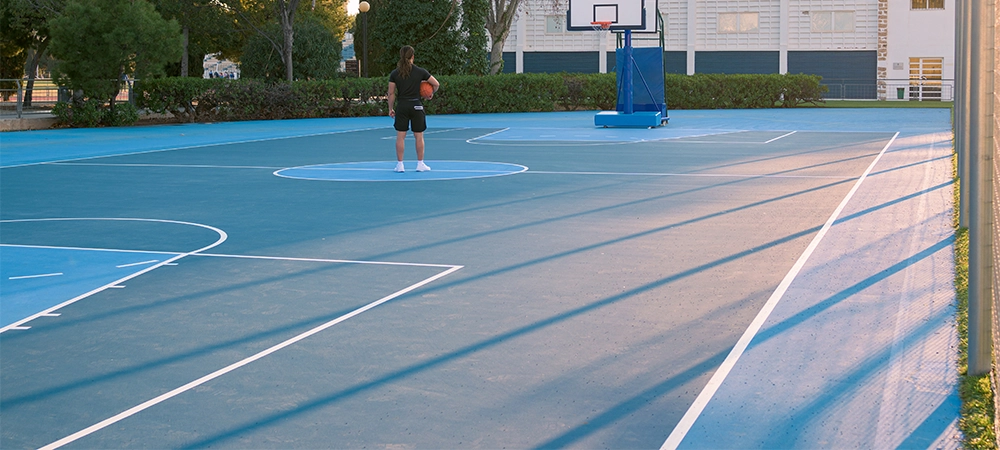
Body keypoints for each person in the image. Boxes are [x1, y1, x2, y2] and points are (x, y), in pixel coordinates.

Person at [387, 45, 439, 173]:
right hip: (417, 105)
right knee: (419, 136)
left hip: (403, 105)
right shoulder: (420, 71)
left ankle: (400, 165)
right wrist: (430, 94)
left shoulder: (395, 73)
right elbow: (436, 83)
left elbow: (391, 93)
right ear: (413, 57)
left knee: (400, 136)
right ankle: (420, 164)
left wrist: (390, 108)